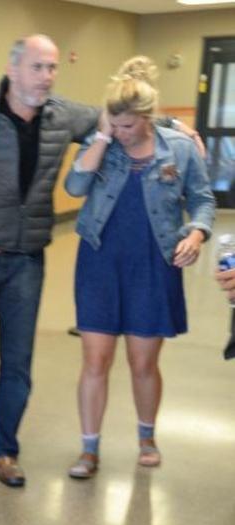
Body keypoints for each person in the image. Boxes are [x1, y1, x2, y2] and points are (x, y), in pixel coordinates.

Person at [0, 34, 201, 488]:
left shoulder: (63, 114)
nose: (47, 76)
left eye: (52, 68)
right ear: (14, 70)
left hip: (26, 260)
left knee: (18, 364)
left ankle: (6, 451)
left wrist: (173, 126)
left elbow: (122, 114)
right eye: (38, 67)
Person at [63, 58, 213, 478]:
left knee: (143, 364)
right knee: (95, 362)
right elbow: (74, 187)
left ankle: (147, 437)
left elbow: (201, 199)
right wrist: (101, 137)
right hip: (99, 263)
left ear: (147, 119)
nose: (121, 134)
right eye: (115, 126)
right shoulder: (104, 145)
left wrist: (196, 233)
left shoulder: (179, 149)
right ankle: (89, 449)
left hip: (154, 265)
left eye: (127, 127)